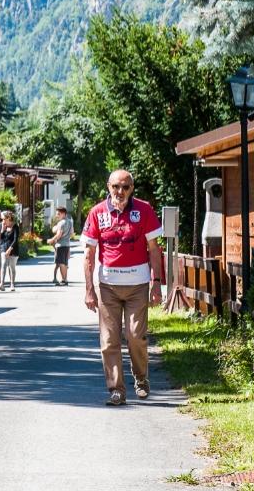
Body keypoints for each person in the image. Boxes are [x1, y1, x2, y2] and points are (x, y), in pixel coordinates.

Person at [82, 169, 163, 406]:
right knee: (109, 340)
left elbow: (154, 249)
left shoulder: (144, 210)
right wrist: (89, 289)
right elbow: (89, 254)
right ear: (108, 186)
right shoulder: (97, 212)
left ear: (132, 189)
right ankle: (116, 389)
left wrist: (156, 283)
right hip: (108, 286)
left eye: (125, 187)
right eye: (116, 186)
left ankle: (141, 378)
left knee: (135, 336)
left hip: (137, 285)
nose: (120, 191)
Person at [47, 205, 74, 285]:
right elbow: (72, 233)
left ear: (63, 214)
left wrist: (51, 240)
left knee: (61, 263)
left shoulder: (61, 223)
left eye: (58, 214)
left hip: (60, 245)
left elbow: (58, 235)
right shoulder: (70, 222)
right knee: (65, 263)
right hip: (67, 245)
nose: (57, 215)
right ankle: (65, 279)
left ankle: (64, 280)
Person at [0, 210, 19, 291]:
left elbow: (15, 240)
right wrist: (2, 229)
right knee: (3, 265)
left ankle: (12, 284)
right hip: (4, 248)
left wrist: (10, 249)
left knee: (12, 267)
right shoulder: (3, 226)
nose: (3, 221)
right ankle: (2, 284)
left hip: (13, 249)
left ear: (8, 218)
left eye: (4, 219)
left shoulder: (15, 226)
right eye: (2, 219)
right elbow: (1, 240)